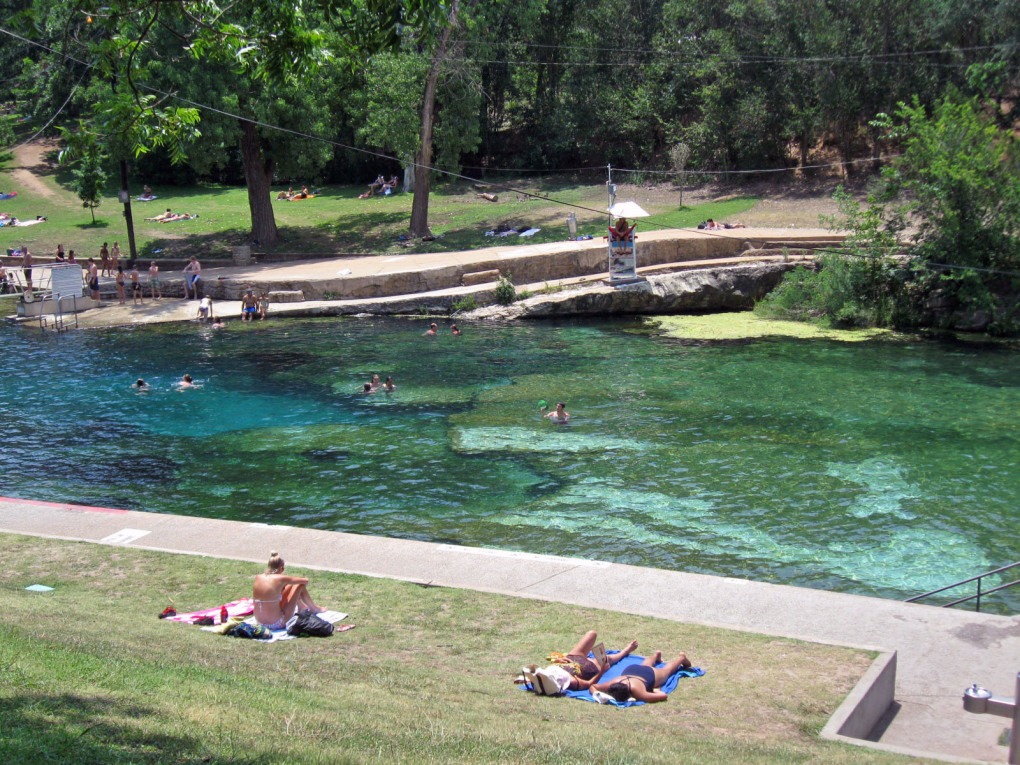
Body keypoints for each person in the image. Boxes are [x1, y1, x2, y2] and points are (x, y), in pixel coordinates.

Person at [533, 631, 640, 693]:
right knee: (606, 659)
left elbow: (533, 672)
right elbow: (589, 684)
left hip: (572, 657)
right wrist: (602, 672)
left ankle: (622, 652)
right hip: (588, 667)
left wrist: (558, 660)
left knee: (592, 634)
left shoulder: (543, 676)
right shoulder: (572, 682)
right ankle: (625, 651)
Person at [253, 551, 325, 630]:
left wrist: (286, 585)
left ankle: (302, 607)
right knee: (299, 585)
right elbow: (305, 581)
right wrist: (287, 581)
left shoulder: (258, 577)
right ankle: (314, 608)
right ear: (281, 567)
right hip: (277, 623)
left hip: (259, 623)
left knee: (290, 586)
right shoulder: (281, 578)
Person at [592, 650, 692, 704]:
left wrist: (655, 691)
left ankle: (681, 658)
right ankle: (655, 655)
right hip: (632, 670)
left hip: (648, 675)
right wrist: (596, 694)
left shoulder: (637, 692)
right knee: (645, 665)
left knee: (666, 671)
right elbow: (593, 687)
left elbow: (663, 695)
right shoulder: (614, 682)